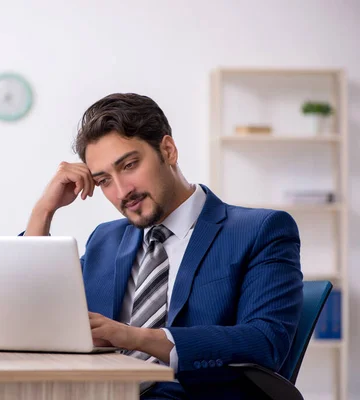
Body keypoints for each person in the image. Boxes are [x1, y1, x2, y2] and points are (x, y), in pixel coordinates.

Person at [23, 93, 303, 399]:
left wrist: (133, 337)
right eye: (103, 180)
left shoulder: (259, 231)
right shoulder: (105, 239)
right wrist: (43, 212)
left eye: (129, 165)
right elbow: (37, 307)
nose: (121, 191)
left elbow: (266, 340)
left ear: (168, 150)